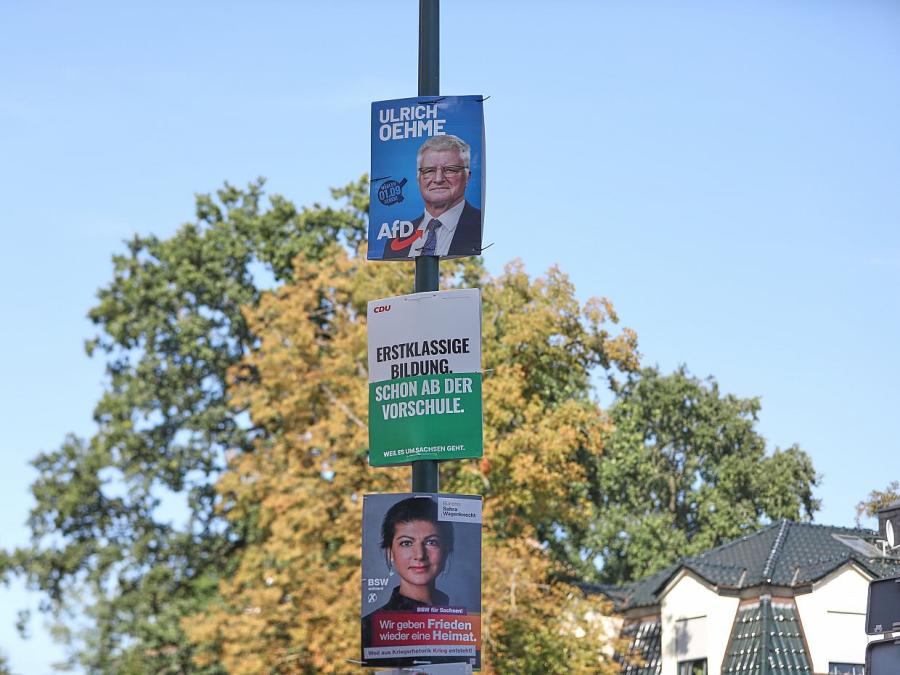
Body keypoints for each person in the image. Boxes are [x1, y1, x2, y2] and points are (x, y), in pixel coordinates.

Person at [382, 134, 482, 259]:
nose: (438, 179)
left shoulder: (480, 226)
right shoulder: (397, 238)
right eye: (429, 171)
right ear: (418, 178)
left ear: (467, 177)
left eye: (450, 170)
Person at [370, 496, 454, 612]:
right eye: (406, 543)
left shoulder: (462, 623)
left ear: (446, 550)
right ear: (390, 552)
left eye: (431, 542)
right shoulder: (373, 626)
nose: (419, 555)